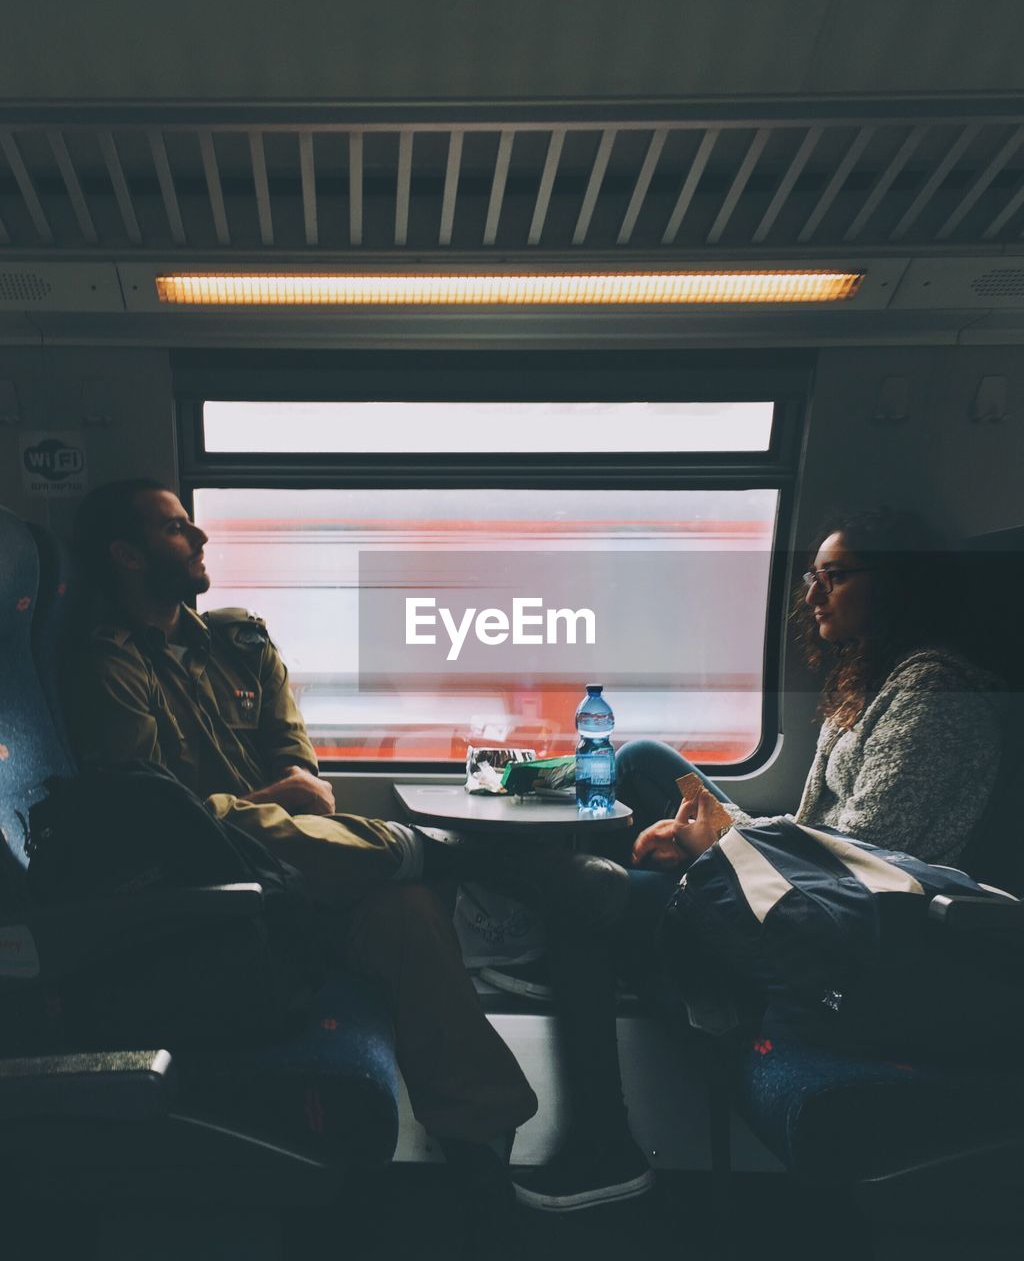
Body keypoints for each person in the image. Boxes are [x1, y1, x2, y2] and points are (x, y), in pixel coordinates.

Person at [67, 478, 544, 1241]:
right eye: (174, 529)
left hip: (292, 870)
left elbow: (308, 787)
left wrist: (266, 801)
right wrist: (265, 802)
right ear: (125, 555)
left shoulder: (238, 642)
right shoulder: (108, 668)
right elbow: (165, 823)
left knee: (408, 912)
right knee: (295, 847)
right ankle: (437, 854)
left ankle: (478, 1153)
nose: (199, 540)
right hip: (204, 890)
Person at [509, 507, 1006, 1212]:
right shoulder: (878, 683)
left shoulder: (935, 695)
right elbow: (813, 839)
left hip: (857, 938)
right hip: (815, 898)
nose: (812, 594)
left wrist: (705, 854)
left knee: (584, 894)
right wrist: (705, 848)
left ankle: (603, 1140)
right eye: (812, 576)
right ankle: (531, 798)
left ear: (896, 584)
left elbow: (869, 862)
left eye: (831, 577)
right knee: (645, 759)